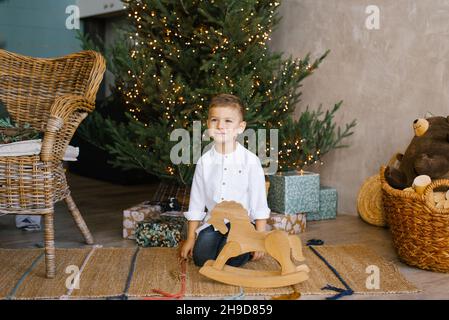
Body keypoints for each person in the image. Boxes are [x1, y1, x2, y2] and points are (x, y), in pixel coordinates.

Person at [180, 93, 270, 267]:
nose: (220, 126)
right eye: (214, 120)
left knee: (232, 258)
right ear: (208, 125)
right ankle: (218, 249)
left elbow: (259, 203)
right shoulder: (204, 162)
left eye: (228, 121)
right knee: (201, 259)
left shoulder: (250, 161)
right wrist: (191, 238)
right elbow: (196, 203)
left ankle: (236, 251)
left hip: (242, 224)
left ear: (240, 127)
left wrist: (259, 238)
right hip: (213, 223)